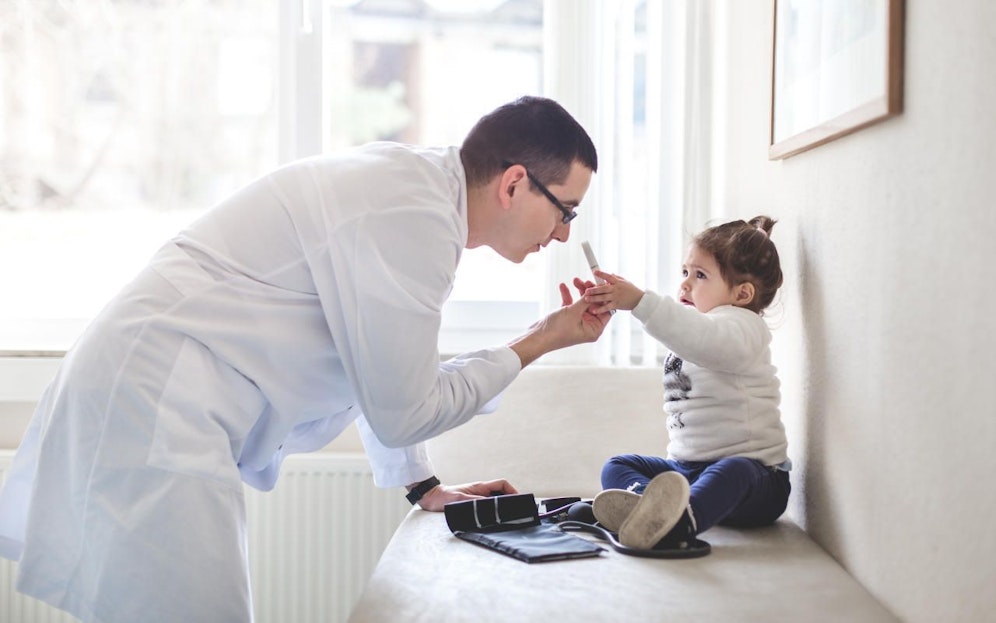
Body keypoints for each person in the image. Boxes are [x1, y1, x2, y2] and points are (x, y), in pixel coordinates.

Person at [0, 96, 609, 622]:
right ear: (513, 183)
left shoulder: (417, 198)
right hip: (153, 401)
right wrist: (540, 339)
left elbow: (375, 365)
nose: (562, 234)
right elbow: (405, 409)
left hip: (154, 392)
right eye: (567, 210)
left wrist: (422, 485)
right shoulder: (413, 219)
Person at [581, 216, 790, 550]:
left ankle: (676, 523)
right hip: (689, 471)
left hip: (759, 483)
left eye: (700, 275)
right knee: (618, 465)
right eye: (684, 273)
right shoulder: (702, 327)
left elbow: (701, 338)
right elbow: (689, 333)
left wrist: (639, 301)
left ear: (742, 294)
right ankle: (646, 509)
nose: (685, 285)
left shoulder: (744, 328)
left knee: (735, 470)